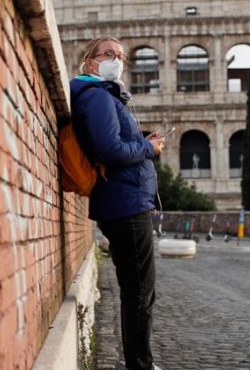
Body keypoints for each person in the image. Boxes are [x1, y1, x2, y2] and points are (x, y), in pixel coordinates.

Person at [70, 36, 165, 370]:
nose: (117, 60)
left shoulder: (105, 96)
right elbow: (110, 150)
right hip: (123, 202)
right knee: (140, 290)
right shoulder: (97, 97)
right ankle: (140, 365)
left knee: (137, 288)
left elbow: (114, 145)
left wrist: (141, 142)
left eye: (121, 55)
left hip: (123, 198)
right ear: (90, 61)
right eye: (109, 54)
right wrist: (148, 149)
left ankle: (140, 362)